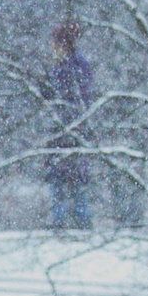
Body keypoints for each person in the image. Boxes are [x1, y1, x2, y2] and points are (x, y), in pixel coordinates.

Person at [47, 20, 96, 229]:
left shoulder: (73, 66)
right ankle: (68, 219)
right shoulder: (67, 65)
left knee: (73, 177)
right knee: (63, 177)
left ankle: (78, 219)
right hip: (66, 128)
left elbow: (77, 96)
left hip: (72, 128)